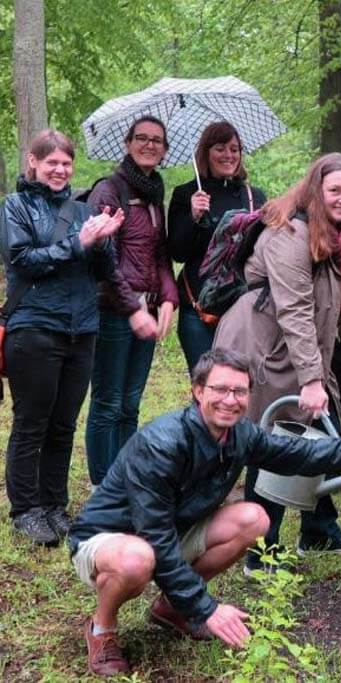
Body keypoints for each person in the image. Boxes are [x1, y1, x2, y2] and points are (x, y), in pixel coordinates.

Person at [68, 348, 341, 677]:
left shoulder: (241, 435)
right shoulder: (162, 444)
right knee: (138, 560)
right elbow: (155, 535)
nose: (230, 400)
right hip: (111, 539)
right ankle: (102, 629)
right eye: (219, 389)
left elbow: (306, 455)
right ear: (198, 391)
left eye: (239, 391)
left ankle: (172, 609)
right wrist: (209, 608)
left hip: (169, 531)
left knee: (255, 519)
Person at [213, 153, 341, 571]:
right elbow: (295, 310)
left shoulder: (334, 235)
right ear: (316, 189)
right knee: (275, 439)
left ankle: (317, 528)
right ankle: (260, 551)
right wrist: (312, 378)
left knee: (313, 430)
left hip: (297, 349)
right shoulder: (289, 234)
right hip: (264, 346)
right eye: (335, 190)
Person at [0, 130, 125, 546]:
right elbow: (22, 261)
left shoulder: (83, 210)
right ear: (32, 162)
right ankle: (25, 510)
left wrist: (103, 240)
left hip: (82, 330)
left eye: (66, 163)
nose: (60, 169)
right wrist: (79, 242)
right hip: (34, 328)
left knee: (64, 424)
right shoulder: (15, 207)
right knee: (32, 422)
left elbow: (104, 270)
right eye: (51, 162)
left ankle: (55, 506)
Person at [85, 115, 179, 487]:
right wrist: (133, 308)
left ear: (165, 150)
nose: (149, 145)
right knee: (107, 403)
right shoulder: (109, 191)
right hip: (112, 311)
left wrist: (168, 298)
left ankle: (123, 479)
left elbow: (160, 255)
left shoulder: (155, 195)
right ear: (127, 144)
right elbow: (101, 261)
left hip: (148, 310)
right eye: (142, 138)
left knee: (130, 403)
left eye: (157, 140)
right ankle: (101, 486)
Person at [167, 121, 267, 373]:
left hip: (242, 305)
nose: (229, 155)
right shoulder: (186, 194)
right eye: (220, 148)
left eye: (235, 149)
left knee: (241, 380)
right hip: (199, 307)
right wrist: (194, 218)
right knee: (205, 381)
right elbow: (178, 252)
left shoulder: (254, 197)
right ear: (206, 152)